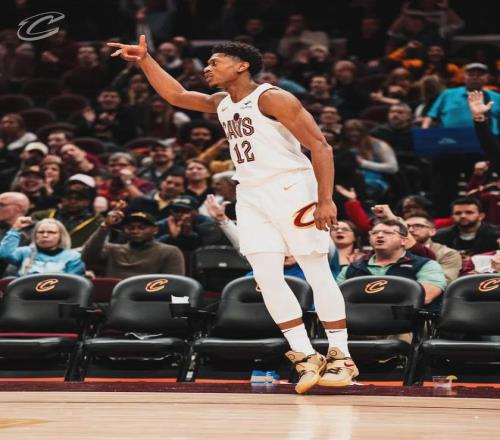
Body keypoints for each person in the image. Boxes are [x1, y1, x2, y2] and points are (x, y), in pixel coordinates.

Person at [108, 36, 357, 392]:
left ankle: (341, 356)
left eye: (215, 62)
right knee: (266, 276)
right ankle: (305, 355)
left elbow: (320, 145)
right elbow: (176, 95)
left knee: (314, 268)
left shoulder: (273, 97)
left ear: (242, 65)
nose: (207, 69)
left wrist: (325, 199)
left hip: (291, 186)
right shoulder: (223, 103)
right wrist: (145, 60)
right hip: (251, 193)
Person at [337, 219, 446, 306]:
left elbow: (425, 297)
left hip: (406, 324)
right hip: (357, 322)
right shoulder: (352, 268)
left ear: (404, 241)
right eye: (374, 233)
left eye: (388, 233)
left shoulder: (426, 265)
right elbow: (336, 299)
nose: (379, 235)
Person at [81, 206, 185, 279]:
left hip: (150, 299)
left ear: (155, 230)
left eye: (141, 227)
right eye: (130, 227)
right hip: (113, 299)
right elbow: (86, 257)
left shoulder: (170, 252)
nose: (135, 231)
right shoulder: (112, 250)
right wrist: (105, 227)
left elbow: (174, 284)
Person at [0, 217, 84, 277]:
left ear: (61, 236)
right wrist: (15, 229)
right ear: (35, 235)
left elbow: (73, 283)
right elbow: (4, 254)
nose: (45, 235)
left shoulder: (73, 257)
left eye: (51, 232)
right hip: (26, 294)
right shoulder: (25, 252)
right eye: (40, 232)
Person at [405, 213, 462, 284]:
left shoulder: (448, 254)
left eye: (418, 226)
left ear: (432, 231)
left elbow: (444, 281)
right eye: (406, 227)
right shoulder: (395, 250)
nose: (410, 230)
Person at [433, 197, 500, 255]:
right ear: (452, 217)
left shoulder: (497, 235)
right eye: (458, 213)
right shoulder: (439, 236)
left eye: (469, 212)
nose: (463, 216)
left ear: (481, 216)